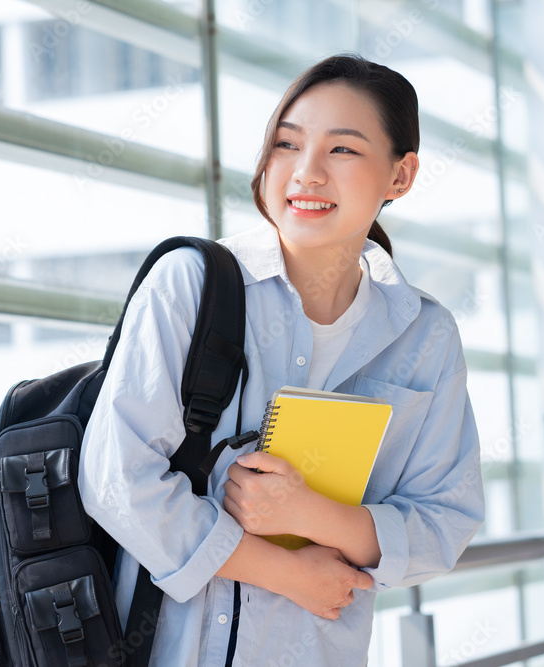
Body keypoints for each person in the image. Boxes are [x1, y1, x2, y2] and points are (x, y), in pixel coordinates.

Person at [78, 54, 484, 666]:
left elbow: (443, 522)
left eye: (343, 150)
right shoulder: (191, 283)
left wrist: (313, 515)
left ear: (400, 176)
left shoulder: (425, 335)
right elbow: (117, 480)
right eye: (287, 144)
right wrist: (286, 572)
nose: (307, 172)